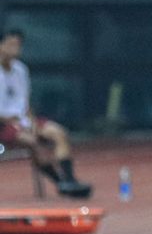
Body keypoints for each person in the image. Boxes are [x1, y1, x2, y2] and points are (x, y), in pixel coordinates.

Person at [0, 29, 92, 198]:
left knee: (59, 133)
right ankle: (60, 183)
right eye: (11, 44)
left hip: (23, 120)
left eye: (18, 45)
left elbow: (25, 101)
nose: (16, 49)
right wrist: (13, 123)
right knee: (32, 142)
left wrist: (32, 121)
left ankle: (70, 180)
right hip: (4, 125)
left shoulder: (21, 70)